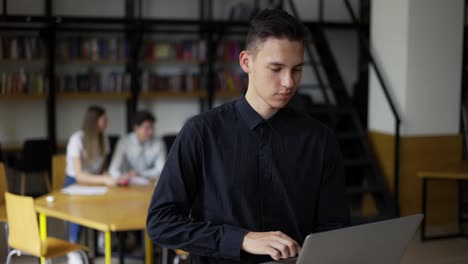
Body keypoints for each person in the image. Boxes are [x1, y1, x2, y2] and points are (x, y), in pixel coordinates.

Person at [147, 9, 349, 264]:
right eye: (276, 68)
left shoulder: (321, 139)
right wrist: (241, 239)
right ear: (246, 62)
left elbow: (334, 228)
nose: (288, 82)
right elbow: (161, 223)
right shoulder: (200, 132)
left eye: (297, 69)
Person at [64, 105, 121, 263]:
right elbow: (80, 176)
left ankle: (103, 238)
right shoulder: (77, 139)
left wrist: (108, 177)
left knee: (113, 199)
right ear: (95, 121)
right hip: (75, 182)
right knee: (77, 208)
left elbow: (103, 168)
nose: (107, 122)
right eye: (104, 119)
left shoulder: (103, 138)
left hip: (96, 181)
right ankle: (73, 247)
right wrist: (104, 180)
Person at [108, 110, 167, 182]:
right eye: (147, 128)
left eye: (152, 127)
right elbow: (113, 169)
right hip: (126, 183)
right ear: (136, 128)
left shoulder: (159, 143)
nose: (151, 132)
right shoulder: (124, 142)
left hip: (149, 183)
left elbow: (161, 170)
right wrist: (123, 177)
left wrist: (140, 174)